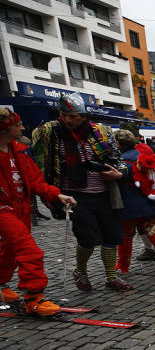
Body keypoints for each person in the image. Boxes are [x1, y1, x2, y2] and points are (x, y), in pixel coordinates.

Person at [32, 93, 131, 291]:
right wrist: (51, 195)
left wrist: (119, 175)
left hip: (105, 193)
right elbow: (42, 165)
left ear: (84, 116)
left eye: (74, 116)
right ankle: (80, 271)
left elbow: (120, 161)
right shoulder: (51, 133)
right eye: (65, 115)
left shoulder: (101, 132)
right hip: (74, 195)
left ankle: (111, 277)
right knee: (88, 239)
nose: (69, 119)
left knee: (111, 236)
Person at [0, 109, 77, 314]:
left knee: (9, 251)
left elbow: (35, 181)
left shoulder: (19, 152)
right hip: (4, 210)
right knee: (29, 251)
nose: (23, 128)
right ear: (6, 129)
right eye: (18, 125)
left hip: (21, 209)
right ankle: (33, 298)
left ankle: (0, 285)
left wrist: (56, 195)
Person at [113, 132, 155, 274]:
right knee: (154, 234)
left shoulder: (121, 160)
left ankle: (123, 266)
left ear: (118, 143)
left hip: (129, 205)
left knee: (126, 237)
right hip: (148, 203)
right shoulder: (143, 157)